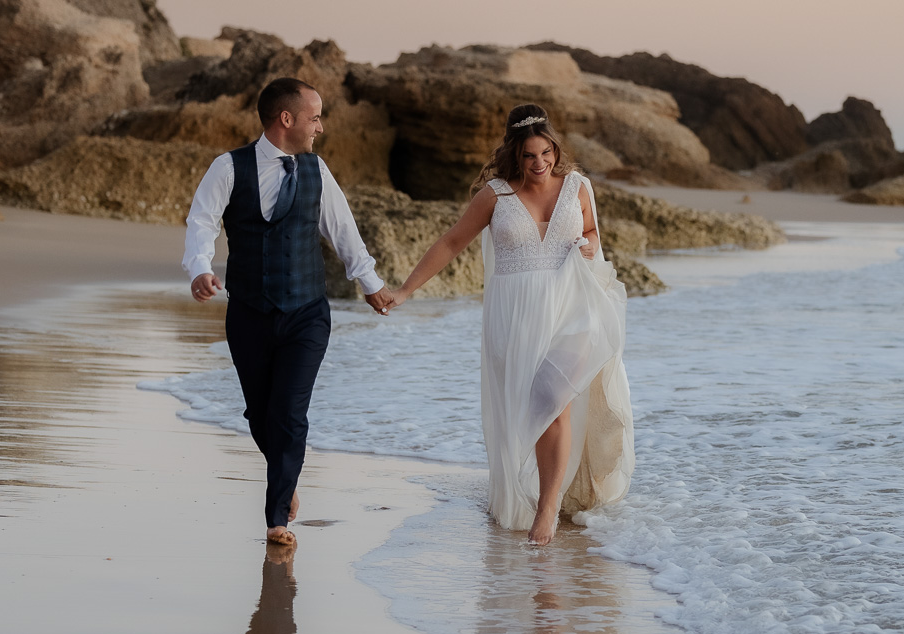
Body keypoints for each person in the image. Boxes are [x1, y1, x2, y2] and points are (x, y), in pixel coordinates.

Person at [389, 104, 633, 544]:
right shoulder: (495, 196)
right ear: (514, 155)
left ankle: (547, 508)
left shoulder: (578, 187)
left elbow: (593, 233)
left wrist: (588, 246)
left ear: (555, 149)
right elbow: (451, 242)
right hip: (516, 316)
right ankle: (535, 493)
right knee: (528, 410)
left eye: (546, 153)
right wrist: (405, 290)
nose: (540, 164)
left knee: (553, 400)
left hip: (574, 309)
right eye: (529, 156)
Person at [182, 77, 394, 546]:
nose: (320, 127)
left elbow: (343, 230)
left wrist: (370, 283)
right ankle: (287, 473)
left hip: (307, 314)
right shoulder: (229, 167)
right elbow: (201, 222)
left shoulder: (318, 171)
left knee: (290, 412)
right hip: (248, 313)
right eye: (314, 117)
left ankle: (276, 517)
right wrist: (200, 269)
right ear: (286, 119)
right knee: (260, 414)